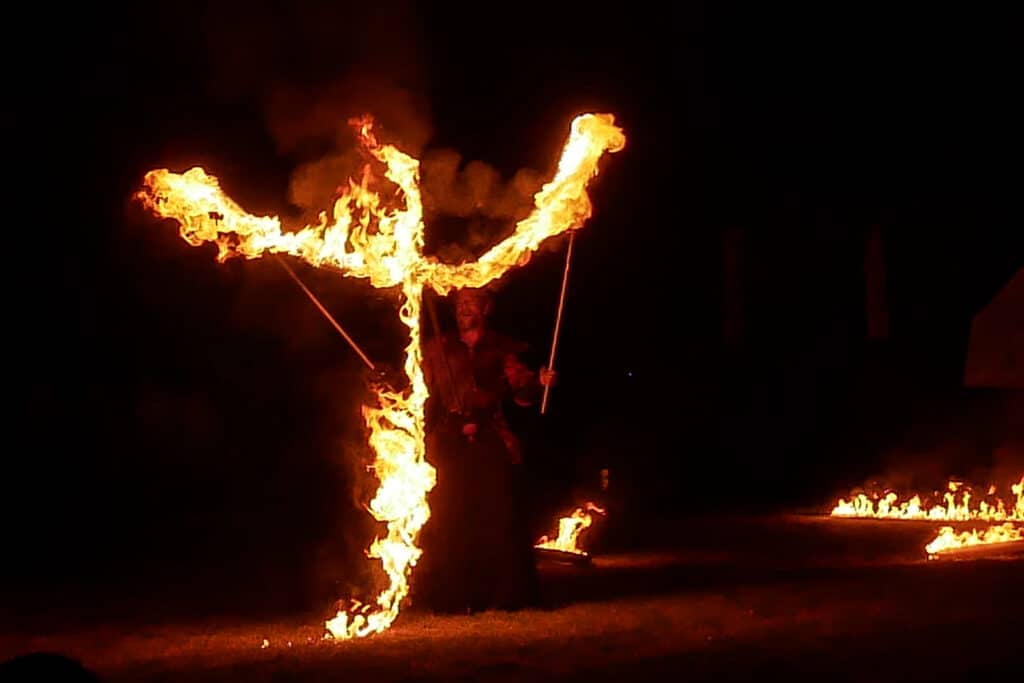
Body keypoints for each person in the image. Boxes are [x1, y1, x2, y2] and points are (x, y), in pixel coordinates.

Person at [414, 286, 555, 613]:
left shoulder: (500, 347)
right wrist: (388, 383)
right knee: (450, 520)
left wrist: (538, 382)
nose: (464, 308)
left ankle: (505, 598)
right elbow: (415, 386)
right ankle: (453, 599)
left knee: (499, 518)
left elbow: (522, 390)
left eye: (471, 302)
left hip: (491, 436)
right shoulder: (436, 348)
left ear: (486, 308)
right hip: (449, 441)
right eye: (460, 303)